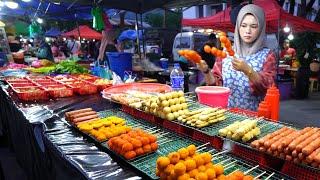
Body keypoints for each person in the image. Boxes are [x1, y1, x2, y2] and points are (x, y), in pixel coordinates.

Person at [197, 4, 276, 111]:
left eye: (253, 26)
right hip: (227, 116)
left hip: (254, 119)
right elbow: (216, 86)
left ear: (261, 28)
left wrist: (248, 71)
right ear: (238, 27)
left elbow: (269, 88)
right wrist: (206, 71)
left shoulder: (267, 55)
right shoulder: (226, 53)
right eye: (243, 25)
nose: (248, 31)